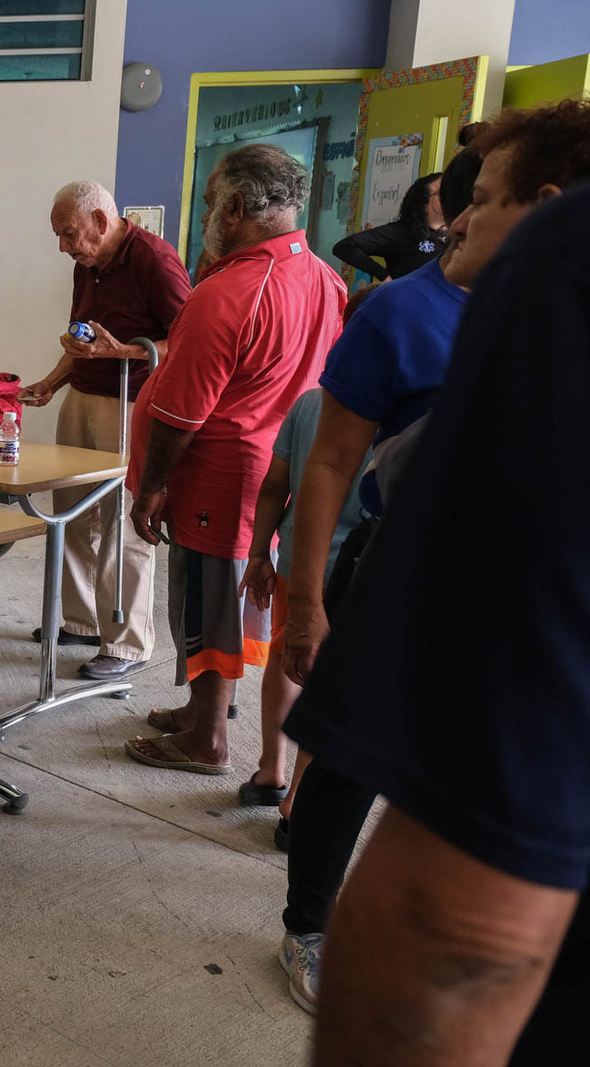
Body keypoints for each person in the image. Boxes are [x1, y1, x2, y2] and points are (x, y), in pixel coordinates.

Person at [275, 98, 590, 1018]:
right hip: (405, 568)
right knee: (354, 764)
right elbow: (329, 462)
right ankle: (308, 924)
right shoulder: (401, 311)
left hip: (521, 605)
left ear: (546, 206)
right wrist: (304, 600)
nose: (454, 222)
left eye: (480, 202)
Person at [123, 143, 347, 776]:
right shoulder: (324, 277)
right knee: (227, 604)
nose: (203, 217)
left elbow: (182, 412)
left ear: (238, 207)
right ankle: (204, 713)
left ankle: (208, 739)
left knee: (209, 609)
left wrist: (151, 488)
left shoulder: (230, 292)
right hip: (271, 474)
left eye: (209, 204)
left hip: (219, 480)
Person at [23, 180, 193, 678]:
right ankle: (81, 621)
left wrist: (122, 352)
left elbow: (187, 339)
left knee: (123, 520)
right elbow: (83, 340)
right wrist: (51, 382)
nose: (64, 247)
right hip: (83, 395)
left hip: (131, 402)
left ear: (100, 220)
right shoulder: (88, 263)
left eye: (69, 233)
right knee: (71, 511)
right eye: (58, 236)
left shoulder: (155, 260)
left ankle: (126, 644)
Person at [235, 387, 368, 829]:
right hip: (357, 569)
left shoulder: (312, 403)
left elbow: (275, 484)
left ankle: (269, 770)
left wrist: (259, 553)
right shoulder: (404, 415)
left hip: (297, 560)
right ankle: (298, 798)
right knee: (327, 681)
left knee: (283, 655)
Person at [332, 172, 446, 281]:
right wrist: (384, 277)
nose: (450, 197)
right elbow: (345, 247)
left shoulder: (454, 235)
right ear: (424, 204)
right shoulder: (403, 232)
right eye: (443, 192)